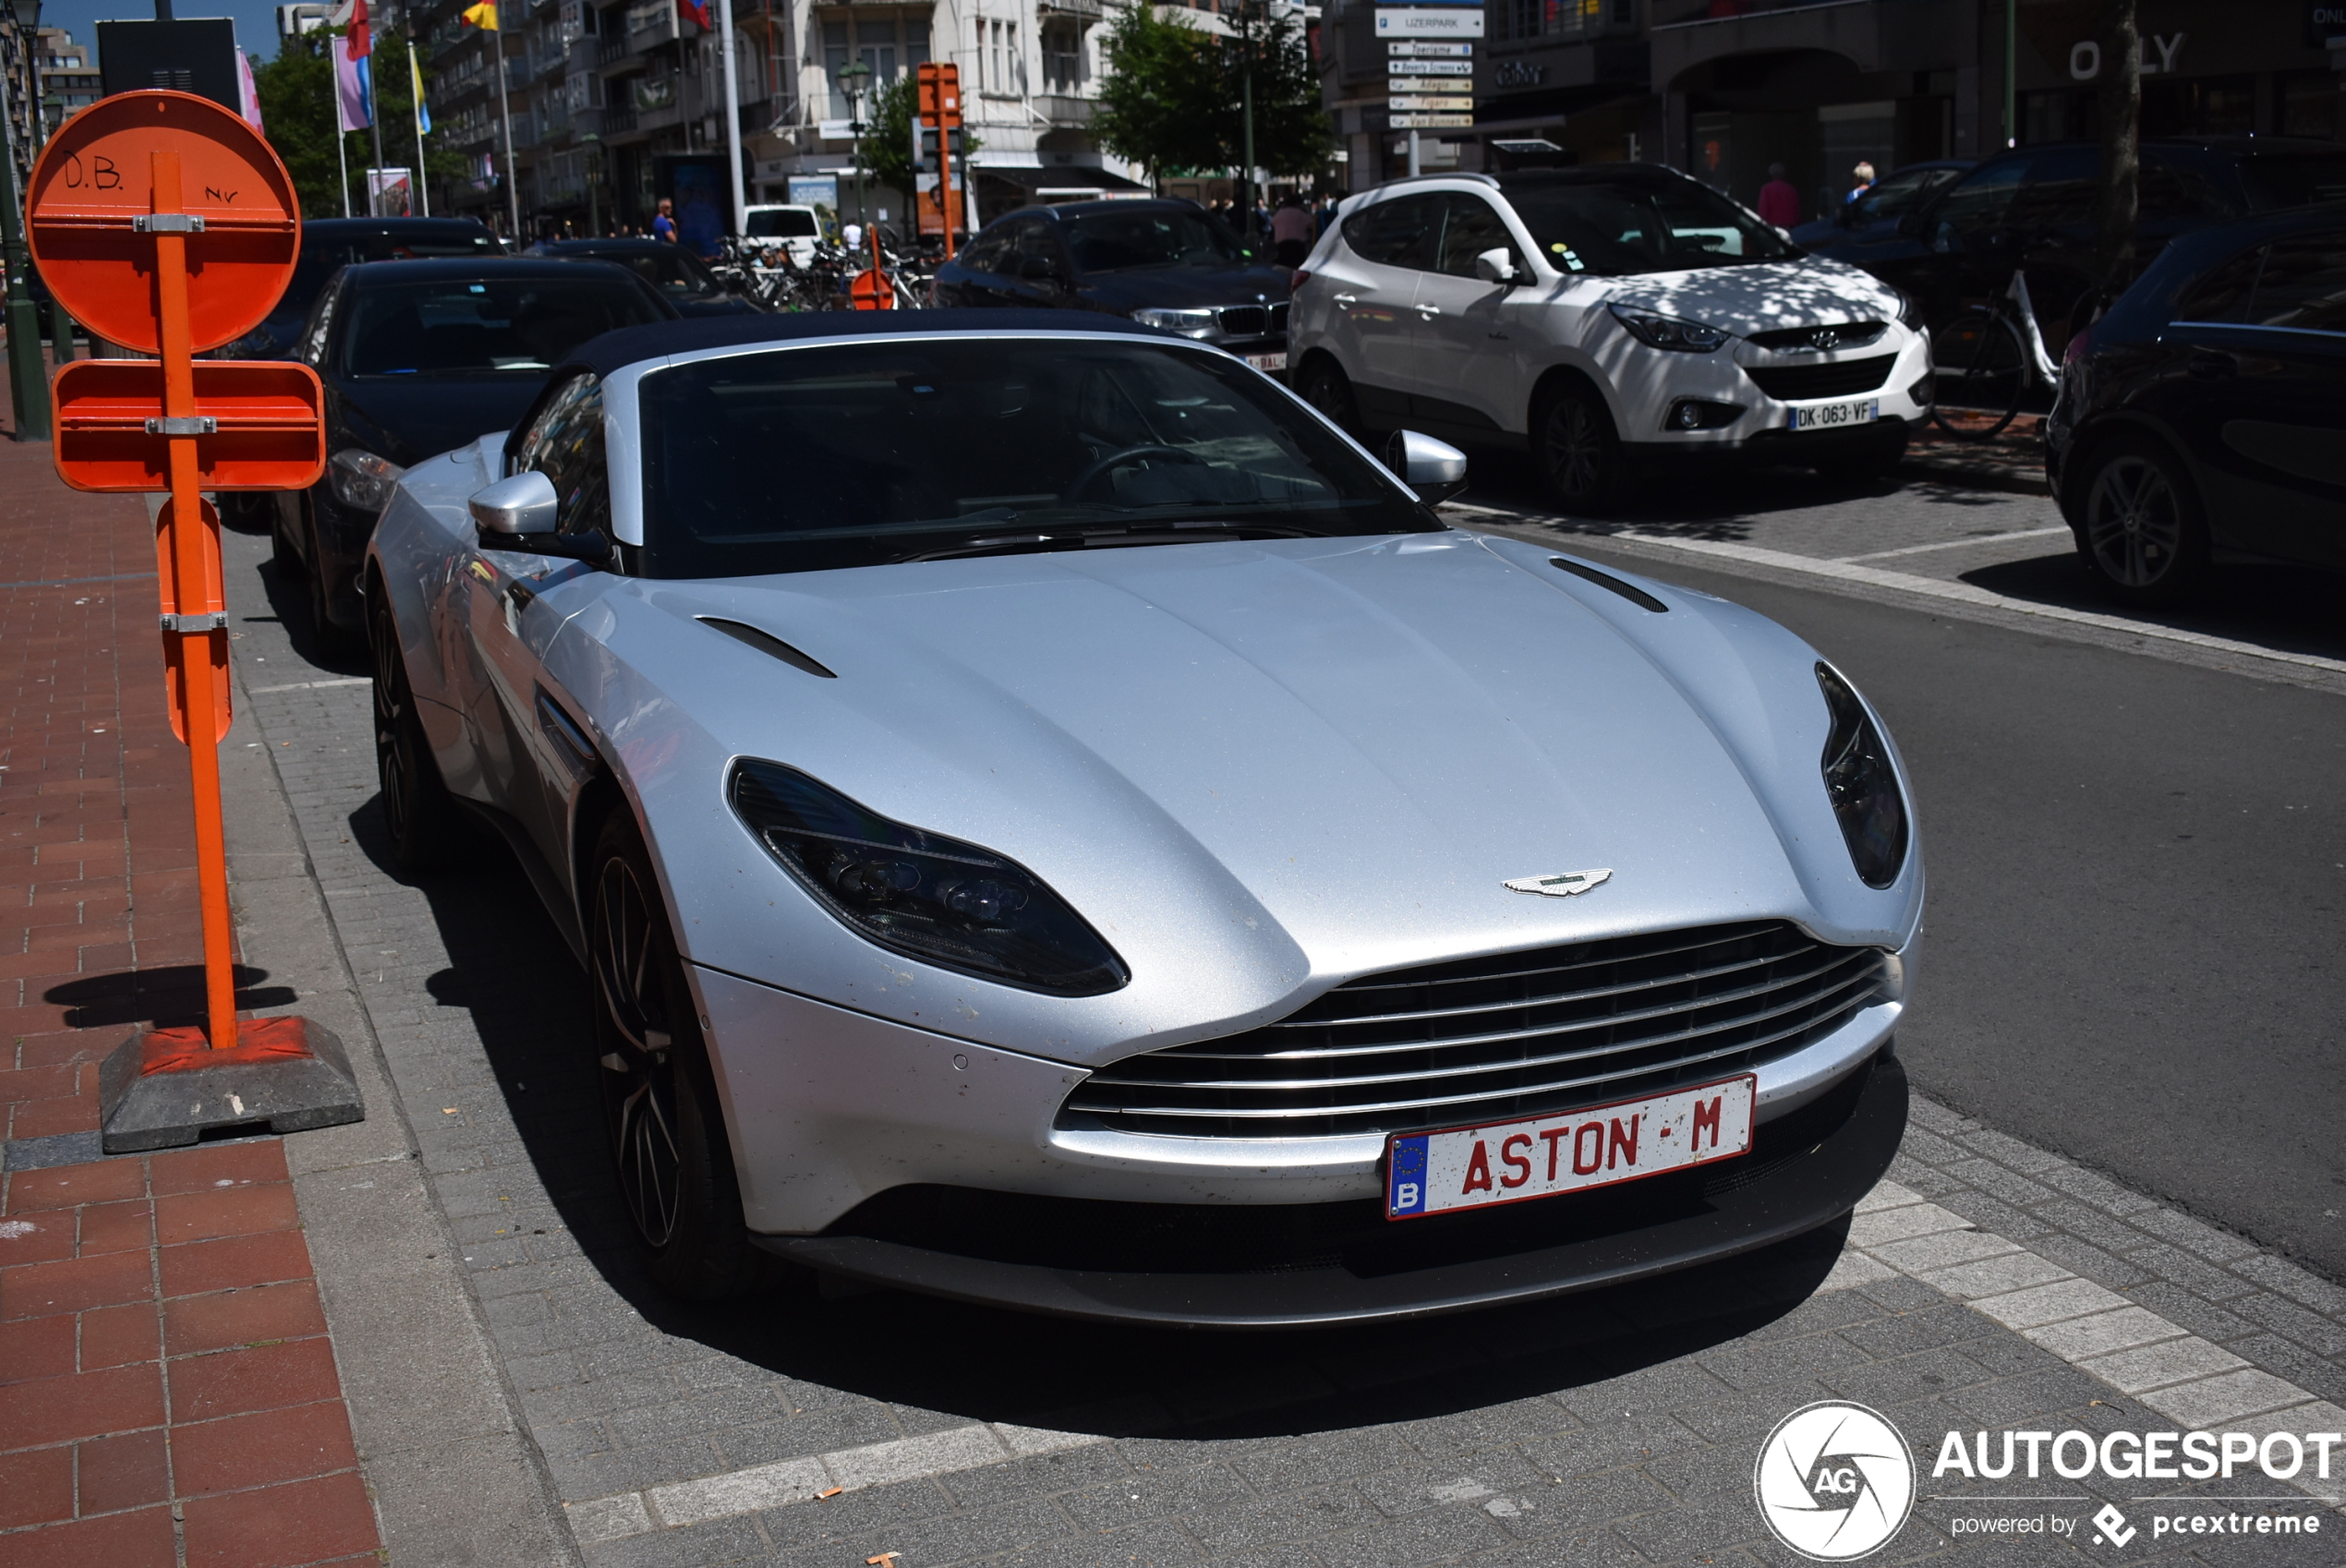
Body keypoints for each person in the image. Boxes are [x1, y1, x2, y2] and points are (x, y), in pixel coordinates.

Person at [1270, 193, 1313, 266]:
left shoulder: (1279, 214)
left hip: (1282, 246)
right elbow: (1312, 225)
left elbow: (1273, 223)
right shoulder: (1301, 214)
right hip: (1298, 246)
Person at [1756, 163, 1800, 230]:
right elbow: (1796, 208)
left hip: (1772, 224)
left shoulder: (1766, 188)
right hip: (1789, 224)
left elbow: (1763, 208)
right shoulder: (1791, 189)